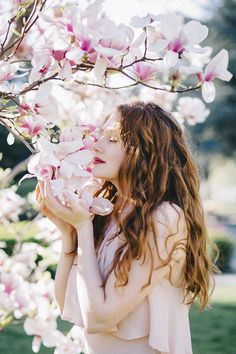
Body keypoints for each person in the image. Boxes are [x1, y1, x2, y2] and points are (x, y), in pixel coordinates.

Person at [36, 101, 219, 354]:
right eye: (99, 134)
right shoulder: (107, 209)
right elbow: (67, 305)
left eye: (112, 139)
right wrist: (70, 235)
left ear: (145, 152)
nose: (95, 144)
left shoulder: (164, 217)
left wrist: (83, 228)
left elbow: (100, 318)